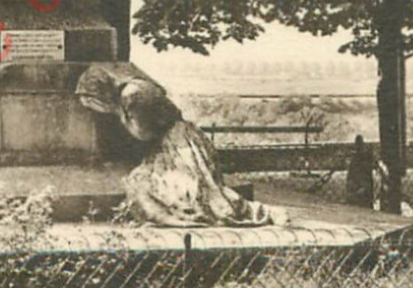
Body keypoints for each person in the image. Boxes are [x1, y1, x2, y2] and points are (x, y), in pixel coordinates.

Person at [75, 65, 285, 227]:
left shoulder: (133, 94)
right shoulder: (129, 93)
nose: (96, 110)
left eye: (95, 104)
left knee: (195, 192)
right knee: (154, 185)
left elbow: (143, 133)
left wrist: (116, 113)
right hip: (167, 146)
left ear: (101, 92)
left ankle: (253, 212)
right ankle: (175, 218)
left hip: (180, 144)